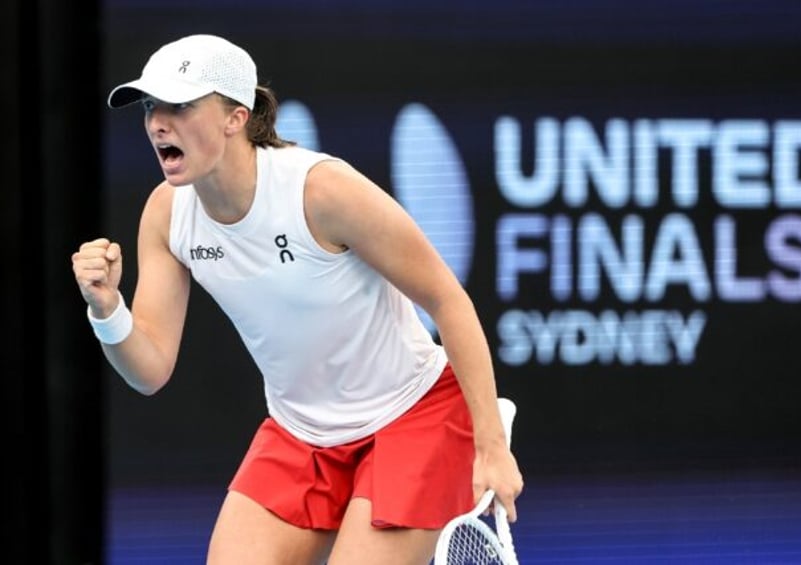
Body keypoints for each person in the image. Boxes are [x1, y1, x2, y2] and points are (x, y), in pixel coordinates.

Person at [72, 34, 523, 564]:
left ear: (235, 117)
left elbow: (449, 301)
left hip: (414, 415)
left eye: (180, 105)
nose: (157, 123)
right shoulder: (168, 215)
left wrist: (491, 446)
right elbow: (149, 370)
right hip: (301, 432)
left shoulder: (322, 192)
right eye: (151, 106)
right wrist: (107, 311)